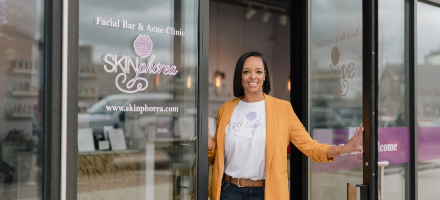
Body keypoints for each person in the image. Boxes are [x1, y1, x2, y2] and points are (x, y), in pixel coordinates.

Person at [207, 52, 364, 200]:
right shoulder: (226, 110)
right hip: (229, 191)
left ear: (265, 75)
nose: (253, 76)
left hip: (266, 192)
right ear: (240, 76)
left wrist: (341, 149)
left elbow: (310, 147)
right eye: (246, 71)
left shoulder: (283, 109)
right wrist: (208, 144)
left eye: (258, 71)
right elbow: (217, 157)